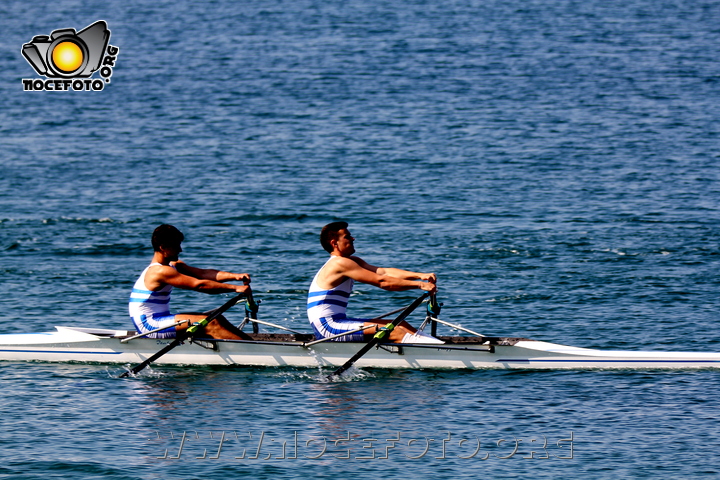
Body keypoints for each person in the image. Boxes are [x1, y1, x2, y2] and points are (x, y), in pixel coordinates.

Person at [307, 221, 443, 344]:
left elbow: (383, 272)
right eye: (347, 237)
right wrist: (419, 285)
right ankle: (437, 354)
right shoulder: (339, 263)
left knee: (401, 324)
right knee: (393, 330)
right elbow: (382, 282)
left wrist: (420, 276)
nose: (353, 238)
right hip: (328, 327)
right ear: (334, 243)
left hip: (339, 321)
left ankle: (437, 346)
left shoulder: (352, 261)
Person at [129, 224, 252, 339]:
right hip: (149, 326)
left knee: (216, 318)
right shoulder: (159, 271)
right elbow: (200, 285)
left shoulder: (173, 265)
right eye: (176, 245)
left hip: (161, 319)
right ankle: (253, 352)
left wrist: (236, 276)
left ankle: (252, 345)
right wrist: (235, 288)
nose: (180, 250)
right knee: (211, 323)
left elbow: (203, 274)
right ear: (163, 248)